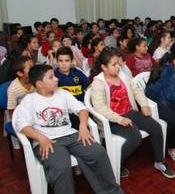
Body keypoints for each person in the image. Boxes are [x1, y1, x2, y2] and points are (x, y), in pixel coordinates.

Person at [14, 64, 123, 194]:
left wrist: (83, 127)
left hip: (70, 135)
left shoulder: (63, 94)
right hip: (48, 141)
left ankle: (111, 191)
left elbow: (82, 109)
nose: (56, 79)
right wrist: (40, 137)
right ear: (39, 84)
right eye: (51, 77)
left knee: (98, 152)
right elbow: (21, 125)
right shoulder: (30, 100)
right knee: (61, 167)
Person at [89, 47, 175, 178]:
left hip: (129, 112)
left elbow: (136, 91)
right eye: (114, 64)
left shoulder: (123, 76)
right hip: (112, 119)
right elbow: (100, 107)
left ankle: (160, 161)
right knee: (135, 137)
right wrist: (119, 119)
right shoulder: (98, 83)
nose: (118, 67)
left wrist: (144, 105)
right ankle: (116, 164)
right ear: (104, 67)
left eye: (118, 63)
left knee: (156, 127)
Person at [54, 47, 90, 129]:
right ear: (56, 60)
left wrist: (87, 100)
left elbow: (89, 89)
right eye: (60, 61)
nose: (63, 64)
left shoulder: (78, 74)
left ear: (72, 61)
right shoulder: (53, 76)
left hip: (80, 108)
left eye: (67, 61)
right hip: (63, 110)